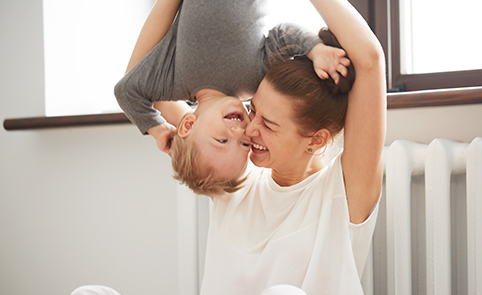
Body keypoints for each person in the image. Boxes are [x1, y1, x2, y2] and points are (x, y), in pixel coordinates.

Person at [200, 0, 386, 294]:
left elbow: (370, 59)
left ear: (316, 140)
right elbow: (143, 85)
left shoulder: (344, 194)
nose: (250, 129)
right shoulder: (232, 174)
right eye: (253, 110)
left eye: (270, 125)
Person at [114, 0, 350, 196]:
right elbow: (281, 37)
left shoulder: (172, 82)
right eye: (244, 144)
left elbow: (126, 91)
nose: (240, 133)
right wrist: (315, 49)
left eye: (222, 141)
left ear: (188, 124)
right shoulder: (255, 82)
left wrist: (158, 130)